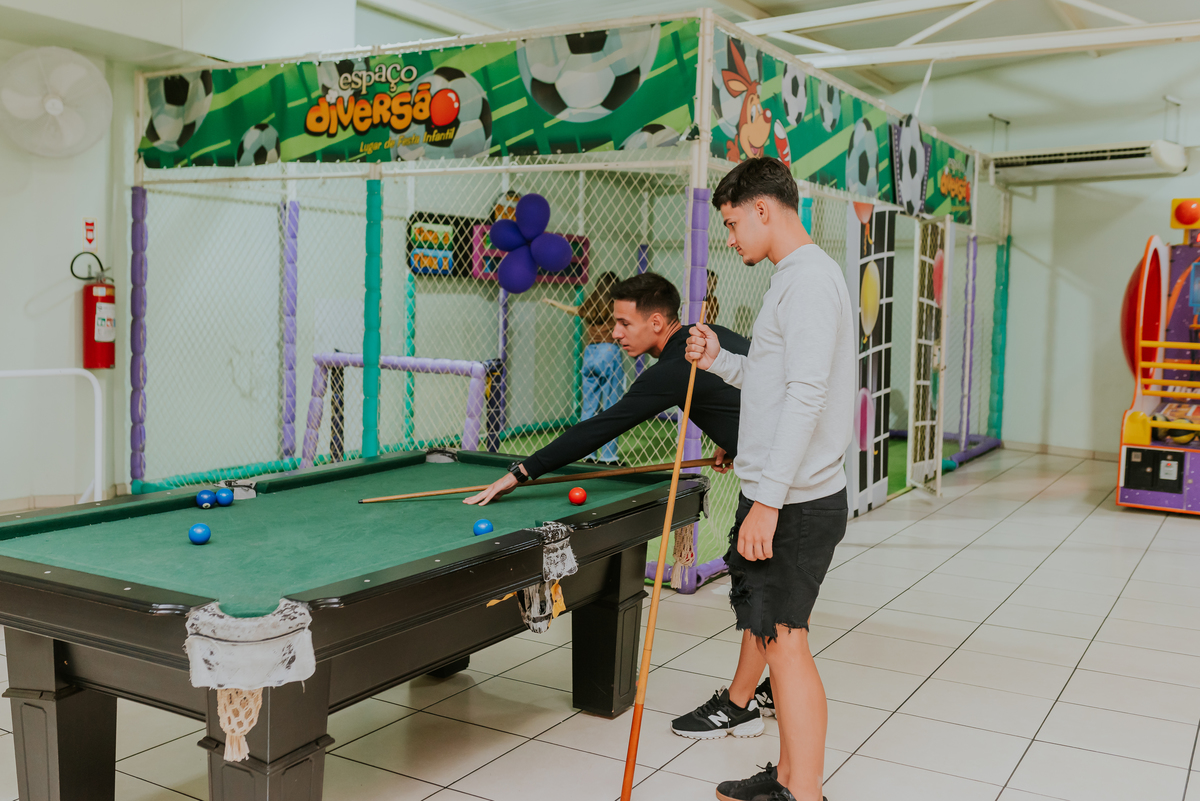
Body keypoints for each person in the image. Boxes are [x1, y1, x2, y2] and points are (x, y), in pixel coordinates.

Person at [685, 157, 854, 801]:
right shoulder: (795, 277)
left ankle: (803, 793)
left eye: (731, 224)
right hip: (783, 493)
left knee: (785, 645)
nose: (729, 240)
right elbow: (776, 380)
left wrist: (767, 502)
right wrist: (720, 359)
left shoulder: (808, 281)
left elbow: (807, 397)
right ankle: (785, 777)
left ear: (763, 208)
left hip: (794, 503)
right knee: (772, 637)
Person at [464, 272, 749, 511]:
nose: (614, 333)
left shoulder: (672, 370)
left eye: (624, 323)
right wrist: (734, 432)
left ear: (656, 323)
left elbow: (601, 428)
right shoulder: (708, 333)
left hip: (778, 477)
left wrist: (522, 472)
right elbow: (748, 385)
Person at [541, 271, 624, 464]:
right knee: (612, 408)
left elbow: (573, 310)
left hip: (589, 354)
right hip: (609, 352)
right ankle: (609, 456)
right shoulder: (616, 305)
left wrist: (553, 302)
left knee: (588, 408)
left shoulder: (591, 302)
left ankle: (587, 453)